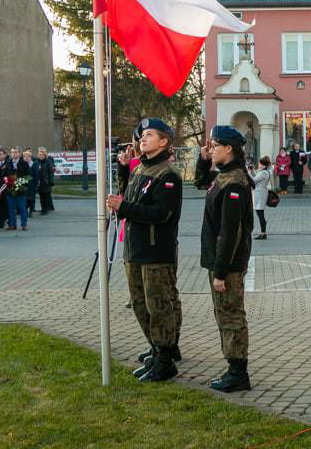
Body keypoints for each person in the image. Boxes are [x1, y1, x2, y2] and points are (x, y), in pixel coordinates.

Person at [107, 118, 182, 382]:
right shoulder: (141, 170)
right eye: (142, 135)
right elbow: (127, 197)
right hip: (135, 248)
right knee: (140, 304)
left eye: (149, 135)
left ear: (164, 142)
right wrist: (123, 171)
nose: (143, 139)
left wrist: (123, 207)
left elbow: (161, 213)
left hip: (154, 252)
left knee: (158, 305)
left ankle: (166, 358)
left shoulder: (167, 174)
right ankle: (156, 348)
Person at [195, 126, 254, 391]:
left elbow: (231, 233)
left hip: (228, 265)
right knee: (224, 315)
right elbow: (200, 182)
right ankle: (233, 368)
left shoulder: (234, 183)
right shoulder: (224, 176)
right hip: (221, 262)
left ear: (228, 149)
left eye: (216, 146)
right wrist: (204, 158)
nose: (212, 149)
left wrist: (220, 272)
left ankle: (238, 373)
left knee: (231, 316)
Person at [3, 147, 30, 231]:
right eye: (12, 152)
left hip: (20, 190)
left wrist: (18, 182)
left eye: (15, 152)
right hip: (10, 190)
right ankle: (12, 225)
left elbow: (28, 176)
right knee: (11, 209)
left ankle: (24, 225)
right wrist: (7, 180)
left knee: (22, 209)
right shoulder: (8, 162)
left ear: (19, 153)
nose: (13, 154)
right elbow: (4, 174)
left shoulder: (24, 163)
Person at [250, 156, 272, 240]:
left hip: (260, 195)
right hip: (260, 194)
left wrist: (248, 172)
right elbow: (256, 177)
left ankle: (263, 233)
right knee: (260, 214)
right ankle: (263, 232)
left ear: (263, 165)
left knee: (260, 214)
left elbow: (253, 181)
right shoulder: (264, 172)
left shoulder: (264, 173)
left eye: (260, 163)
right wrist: (252, 171)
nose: (258, 164)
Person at [36, 147, 55, 214]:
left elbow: (51, 172)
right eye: (39, 154)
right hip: (39, 182)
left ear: (45, 155)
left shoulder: (48, 161)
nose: (40, 156)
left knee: (46, 196)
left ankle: (46, 209)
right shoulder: (37, 162)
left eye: (42, 154)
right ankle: (43, 208)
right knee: (41, 196)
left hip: (46, 182)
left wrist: (51, 181)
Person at [22, 148, 38, 218]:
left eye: (27, 156)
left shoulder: (34, 164)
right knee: (24, 198)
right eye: (24, 156)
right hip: (24, 184)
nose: (26, 158)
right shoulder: (22, 164)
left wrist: (36, 184)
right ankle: (24, 211)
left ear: (30, 157)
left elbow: (36, 175)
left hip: (32, 184)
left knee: (31, 198)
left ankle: (31, 210)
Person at [0, 147, 8, 228]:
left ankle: (5, 219)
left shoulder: (8, 163)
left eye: (0, 154)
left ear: (5, 155)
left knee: (4, 205)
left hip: (6, 188)